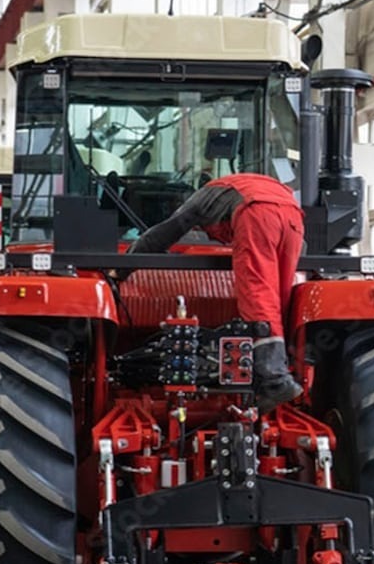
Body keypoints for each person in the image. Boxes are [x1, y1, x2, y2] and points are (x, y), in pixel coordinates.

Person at [128, 173, 304, 410]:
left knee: (257, 291)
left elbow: (163, 234)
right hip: (293, 215)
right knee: (280, 295)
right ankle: (282, 366)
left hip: (257, 211)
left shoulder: (203, 197)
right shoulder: (240, 187)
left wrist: (123, 267)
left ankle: (275, 381)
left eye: (206, 231)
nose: (216, 239)